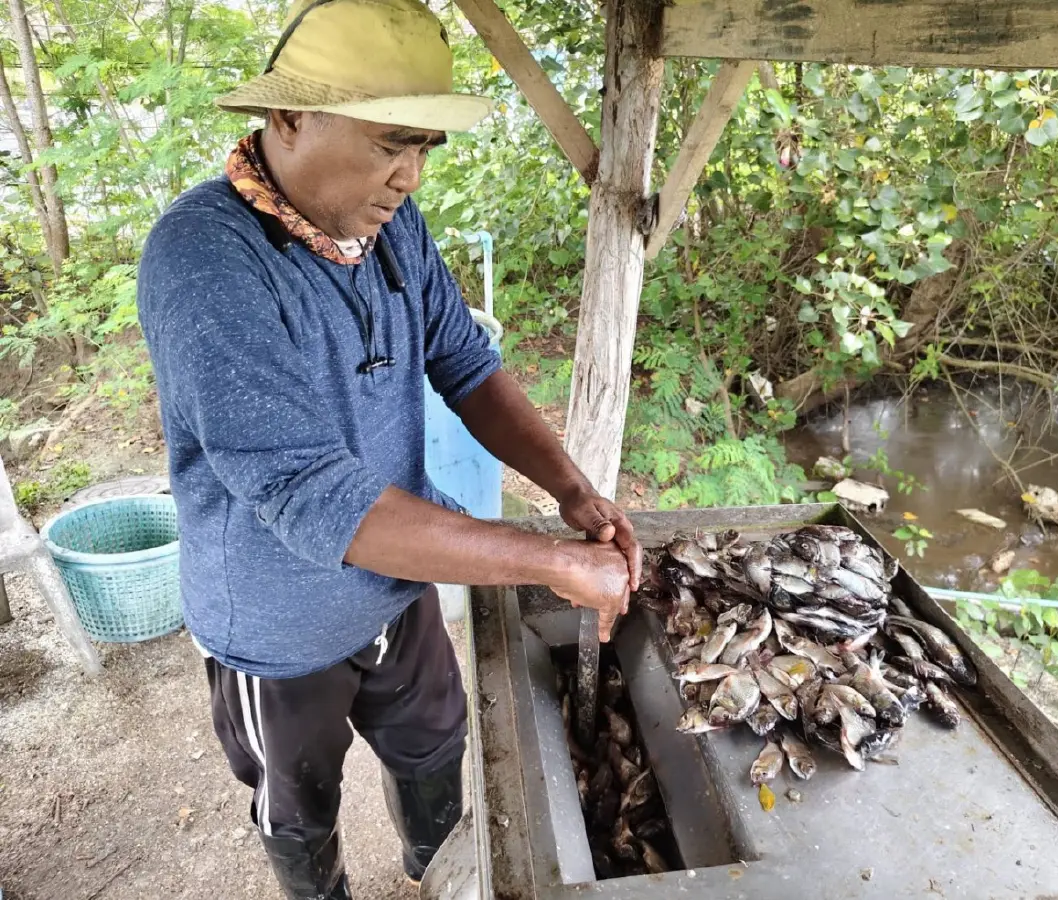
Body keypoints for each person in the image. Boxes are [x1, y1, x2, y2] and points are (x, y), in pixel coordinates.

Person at [135, 1, 642, 897]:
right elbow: (311, 492)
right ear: (289, 119)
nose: (409, 175)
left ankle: (432, 875)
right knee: (298, 807)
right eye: (388, 144)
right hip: (277, 622)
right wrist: (549, 564)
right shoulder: (205, 261)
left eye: (424, 149)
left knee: (438, 749)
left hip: (399, 589)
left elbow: (465, 364)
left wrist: (573, 491)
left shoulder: (388, 226)